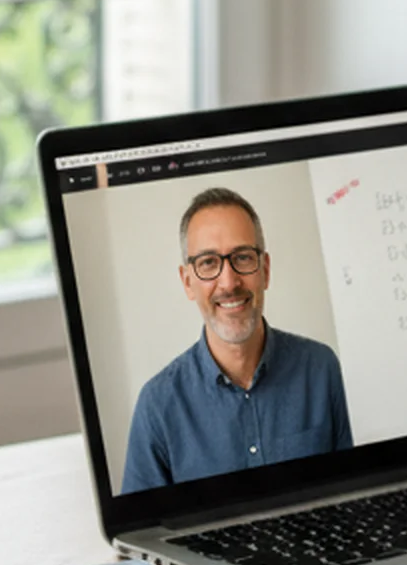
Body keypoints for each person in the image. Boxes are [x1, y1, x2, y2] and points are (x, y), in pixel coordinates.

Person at [122, 188, 353, 493]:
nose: (229, 282)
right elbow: (144, 532)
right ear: (187, 282)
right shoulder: (158, 405)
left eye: (242, 258)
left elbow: (352, 493)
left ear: (265, 270)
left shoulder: (321, 369)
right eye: (208, 263)